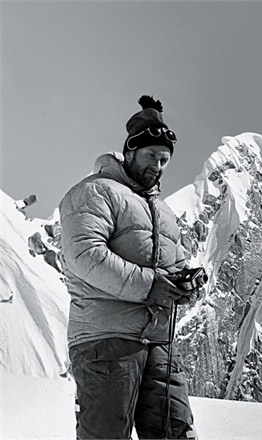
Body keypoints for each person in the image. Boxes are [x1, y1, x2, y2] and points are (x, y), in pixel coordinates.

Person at [60, 95, 201, 439]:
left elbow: (174, 266)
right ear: (131, 151)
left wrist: (188, 284)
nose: (159, 165)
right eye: (152, 155)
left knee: (175, 432)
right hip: (106, 339)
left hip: (157, 341)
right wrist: (151, 285)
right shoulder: (96, 192)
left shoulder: (164, 214)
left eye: (165, 159)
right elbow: (84, 256)